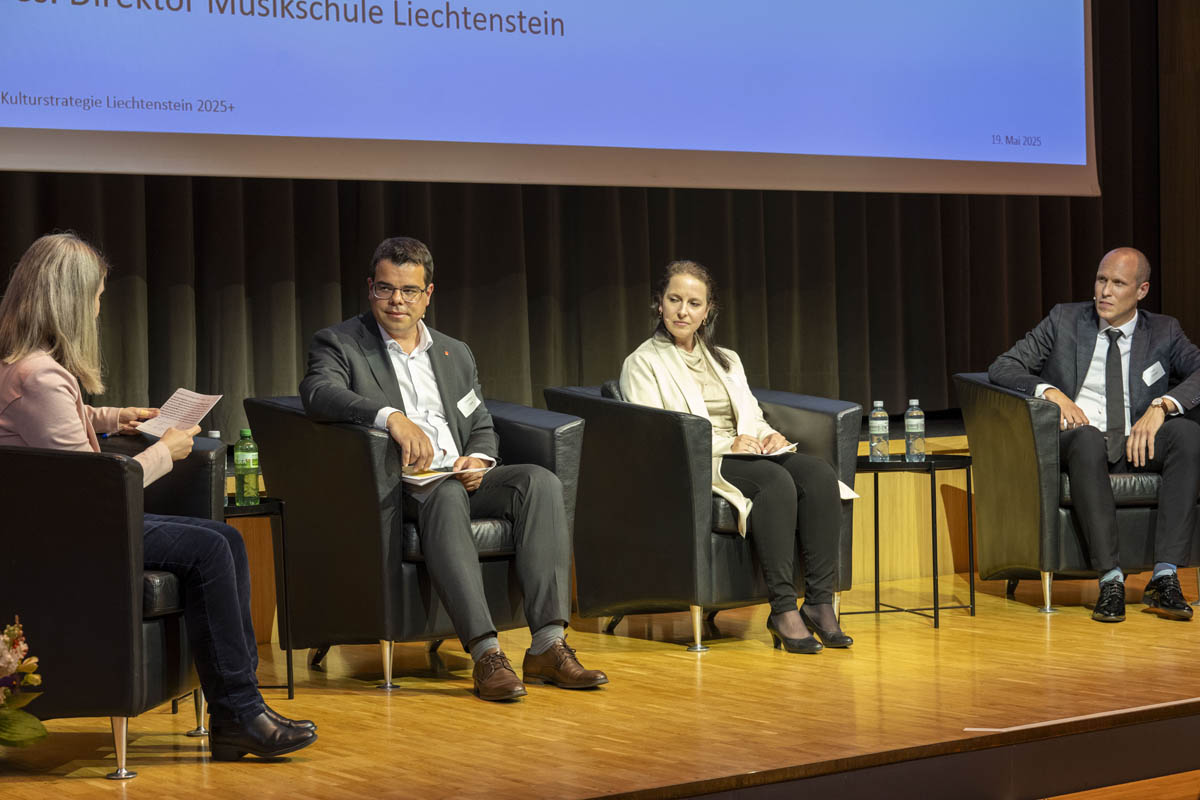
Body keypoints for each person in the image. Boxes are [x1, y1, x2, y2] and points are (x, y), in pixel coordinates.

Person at [0, 233, 317, 760]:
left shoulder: (23, 365)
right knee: (214, 547)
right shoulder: (39, 377)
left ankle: (239, 711)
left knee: (223, 542)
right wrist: (165, 450)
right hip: (72, 534)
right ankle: (239, 713)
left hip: (57, 525)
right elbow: (90, 487)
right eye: (96, 297)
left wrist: (114, 416)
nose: (98, 310)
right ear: (69, 301)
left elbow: (56, 427)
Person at [299, 236, 607, 701]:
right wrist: (391, 417)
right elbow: (318, 393)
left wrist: (478, 458)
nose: (396, 300)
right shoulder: (341, 343)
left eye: (408, 291)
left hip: (457, 476)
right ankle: (487, 654)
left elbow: (479, 421)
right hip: (396, 486)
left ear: (428, 295)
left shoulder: (453, 352)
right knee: (442, 494)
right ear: (370, 288)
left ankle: (547, 645)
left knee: (539, 483)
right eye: (385, 288)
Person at [619, 260, 851, 654]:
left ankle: (818, 602)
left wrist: (767, 435)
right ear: (659, 303)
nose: (683, 311)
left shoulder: (726, 359)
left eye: (694, 303)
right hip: (698, 461)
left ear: (707, 310)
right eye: (674, 300)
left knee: (818, 474)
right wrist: (727, 446)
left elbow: (750, 415)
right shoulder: (642, 363)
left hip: (744, 451)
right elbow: (658, 435)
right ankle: (782, 609)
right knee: (774, 482)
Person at [989, 247, 1200, 623]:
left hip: (1136, 441)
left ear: (1141, 290)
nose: (1105, 291)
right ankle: (1110, 580)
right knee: (1086, 437)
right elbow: (1004, 366)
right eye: (1101, 280)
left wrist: (1163, 405)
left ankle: (1165, 577)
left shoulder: (1164, 330)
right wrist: (1050, 393)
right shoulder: (1065, 320)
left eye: (1118, 283)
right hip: (1079, 439)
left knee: (1186, 434)